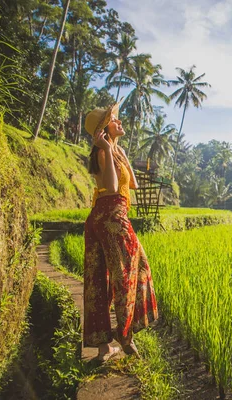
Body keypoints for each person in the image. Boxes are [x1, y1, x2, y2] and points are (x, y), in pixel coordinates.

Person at [82, 102, 158, 361]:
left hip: (108, 216)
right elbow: (113, 187)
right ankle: (125, 337)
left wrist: (121, 154)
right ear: (104, 129)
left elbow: (133, 184)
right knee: (129, 272)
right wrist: (105, 147)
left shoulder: (115, 151)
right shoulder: (102, 153)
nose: (120, 122)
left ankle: (106, 347)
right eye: (114, 119)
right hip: (111, 216)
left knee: (103, 277)